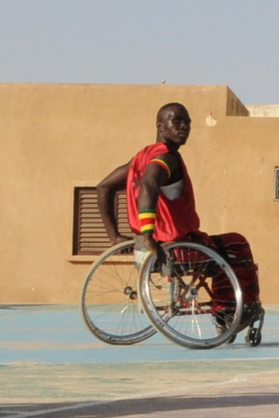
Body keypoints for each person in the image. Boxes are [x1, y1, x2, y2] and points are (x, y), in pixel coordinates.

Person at [94, 101, 262, 329]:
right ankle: (232, 312)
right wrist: (148, 233)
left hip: (146, 250)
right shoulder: (167, 157)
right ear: (160, 126)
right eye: (177, 121)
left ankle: (227, 309)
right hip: (179, 247)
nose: (184, 127)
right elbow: (149, 185)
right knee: (236, 244)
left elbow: (103, 188)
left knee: (223, 247)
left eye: (188, 123)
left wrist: (114, 236)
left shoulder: (140, 159)